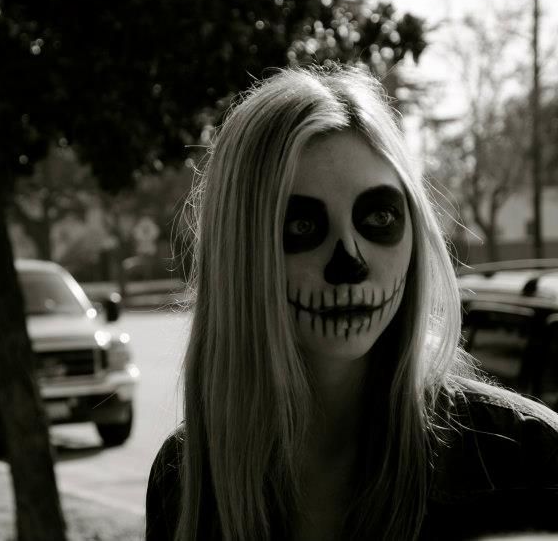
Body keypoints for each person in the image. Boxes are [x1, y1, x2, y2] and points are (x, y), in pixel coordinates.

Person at [146, 66, 558, 540]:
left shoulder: (530, 460)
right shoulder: (184, 480)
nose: (349, 263)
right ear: (240, 255)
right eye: (301, 226)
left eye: (378, 217)